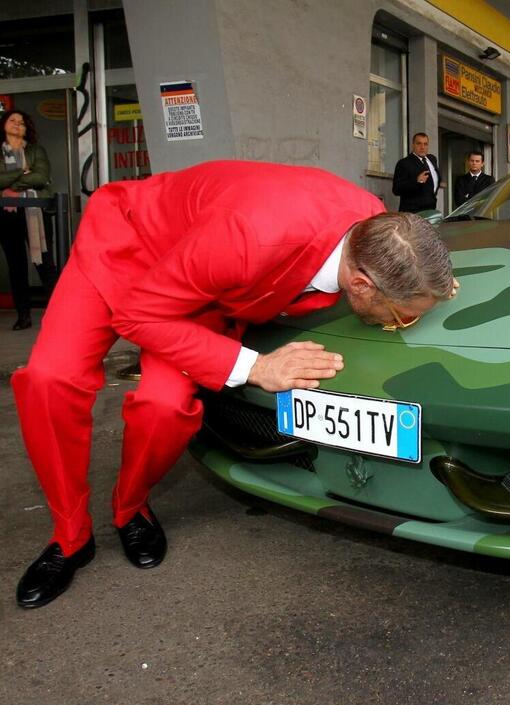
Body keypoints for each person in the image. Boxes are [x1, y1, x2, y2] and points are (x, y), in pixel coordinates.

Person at [13, 160, 457, 608]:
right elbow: (138, 314)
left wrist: (432, 284)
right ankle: (70, 536)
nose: (404, 323)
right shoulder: (250, 239)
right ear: (360, 284)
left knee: (164, 407)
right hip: (130, 244)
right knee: (48, 380)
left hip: (202, 281)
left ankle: (130, 508)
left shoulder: (375, 225)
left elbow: (403, 260)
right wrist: (255, 367)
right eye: (403, 315)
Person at [0, 110, 51, 331]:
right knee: (16, 264)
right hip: (6, 213)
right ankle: (24, 315)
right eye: (12, 120)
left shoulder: (36, 150)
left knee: (44, 262)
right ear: (3, 125)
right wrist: (23, 171)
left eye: (21, 122)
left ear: (26, 128)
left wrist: (10, 184)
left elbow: (41, 177)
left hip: (34, 210)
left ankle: (58, 310)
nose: (17, 125)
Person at [392, 132, 440, 213]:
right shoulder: (404, 163)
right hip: (413, 212)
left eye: (425, 144)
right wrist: (416, 181)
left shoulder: (432, 159)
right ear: (413, 145)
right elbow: (396, 189)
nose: (422, 147)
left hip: (431, 210)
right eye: (419, 144)